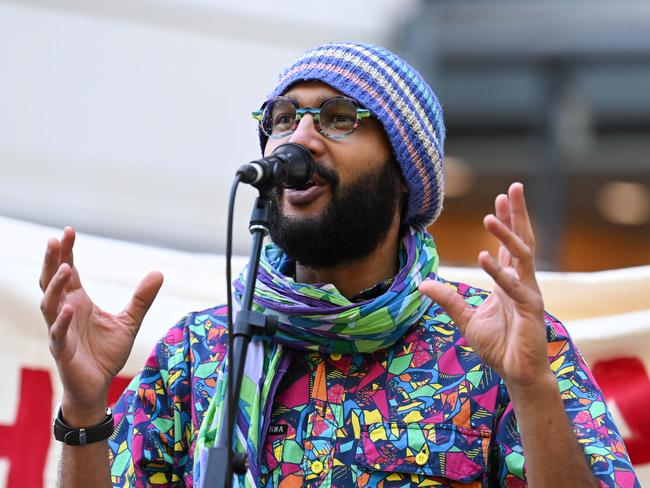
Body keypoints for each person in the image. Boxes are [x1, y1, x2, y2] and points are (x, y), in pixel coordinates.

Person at [39, 42, 639, 487]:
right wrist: (85, 413)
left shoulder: (498, 344)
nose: (300, 138)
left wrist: (531, 387)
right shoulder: (199, 350)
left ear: (403, 175)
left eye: (338, 117)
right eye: (283, 118)